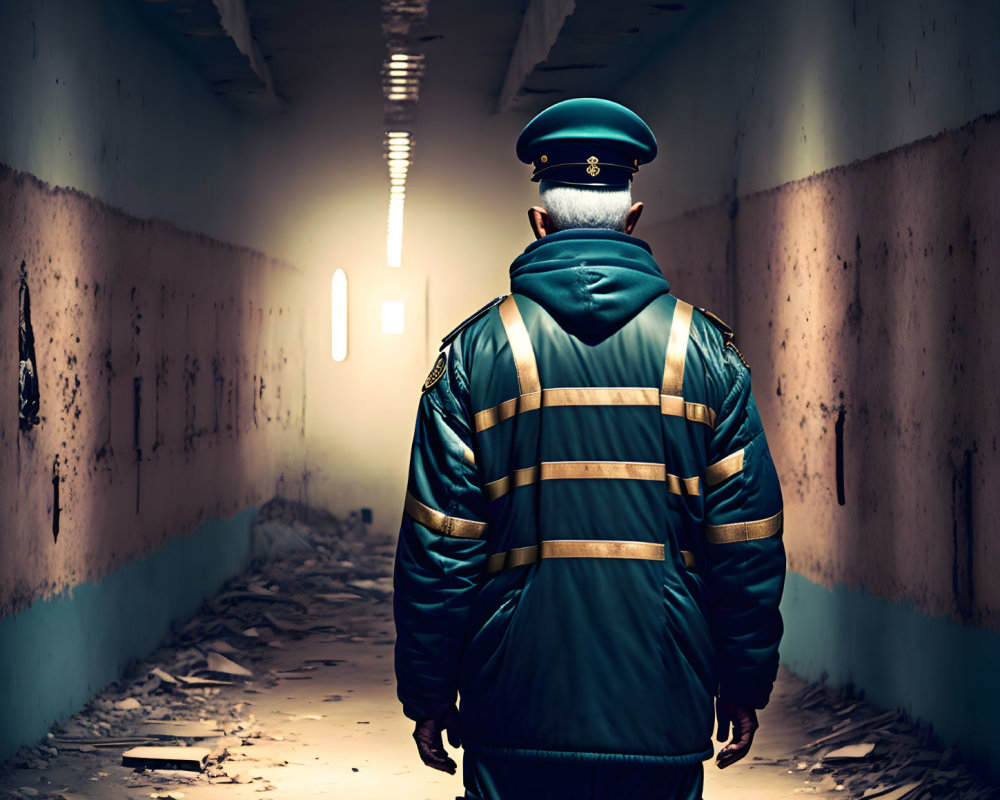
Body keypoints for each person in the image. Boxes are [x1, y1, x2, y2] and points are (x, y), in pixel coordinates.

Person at [393, 97, 785, 800]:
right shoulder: (706, 356)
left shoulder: (476, 355)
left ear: (538, 222)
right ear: (634, 220)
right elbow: (745, 544)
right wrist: (743, 684)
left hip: (514, 708)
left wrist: (429, 692)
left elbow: (439, 548)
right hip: (662, 706)